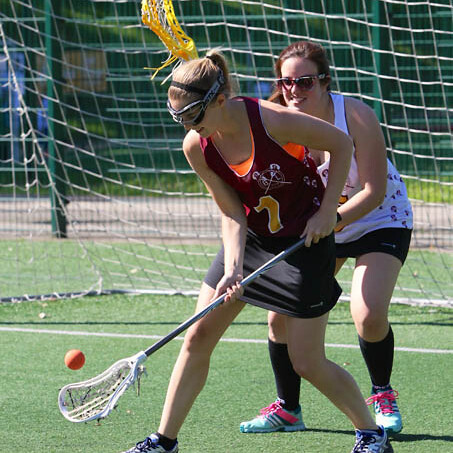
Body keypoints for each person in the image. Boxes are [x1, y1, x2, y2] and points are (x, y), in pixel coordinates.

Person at [123, 49, 392, 453]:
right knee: (197, 336)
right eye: (180, 119)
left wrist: (327, 212)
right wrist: (233, 268)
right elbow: (231, 211)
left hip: (304, 241)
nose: (189, 127)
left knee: (307, 361)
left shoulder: (271, 119)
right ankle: (164, 442)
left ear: (220, 100)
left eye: (194, 116)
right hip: (252, 239)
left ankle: (371, 433)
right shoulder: (196, 145)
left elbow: (340, 143)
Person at [239, 41, 413, 437]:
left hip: (379, 219)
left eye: (305, 82)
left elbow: (374, 191)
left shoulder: (355, 115)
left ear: (324, 81)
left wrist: (330, 220)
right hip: (321, 224)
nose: (294, 90)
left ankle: (382, 394)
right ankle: (288, 409)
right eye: (286, 82)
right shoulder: (277, 122)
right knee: (279, 318)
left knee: (368, 315)